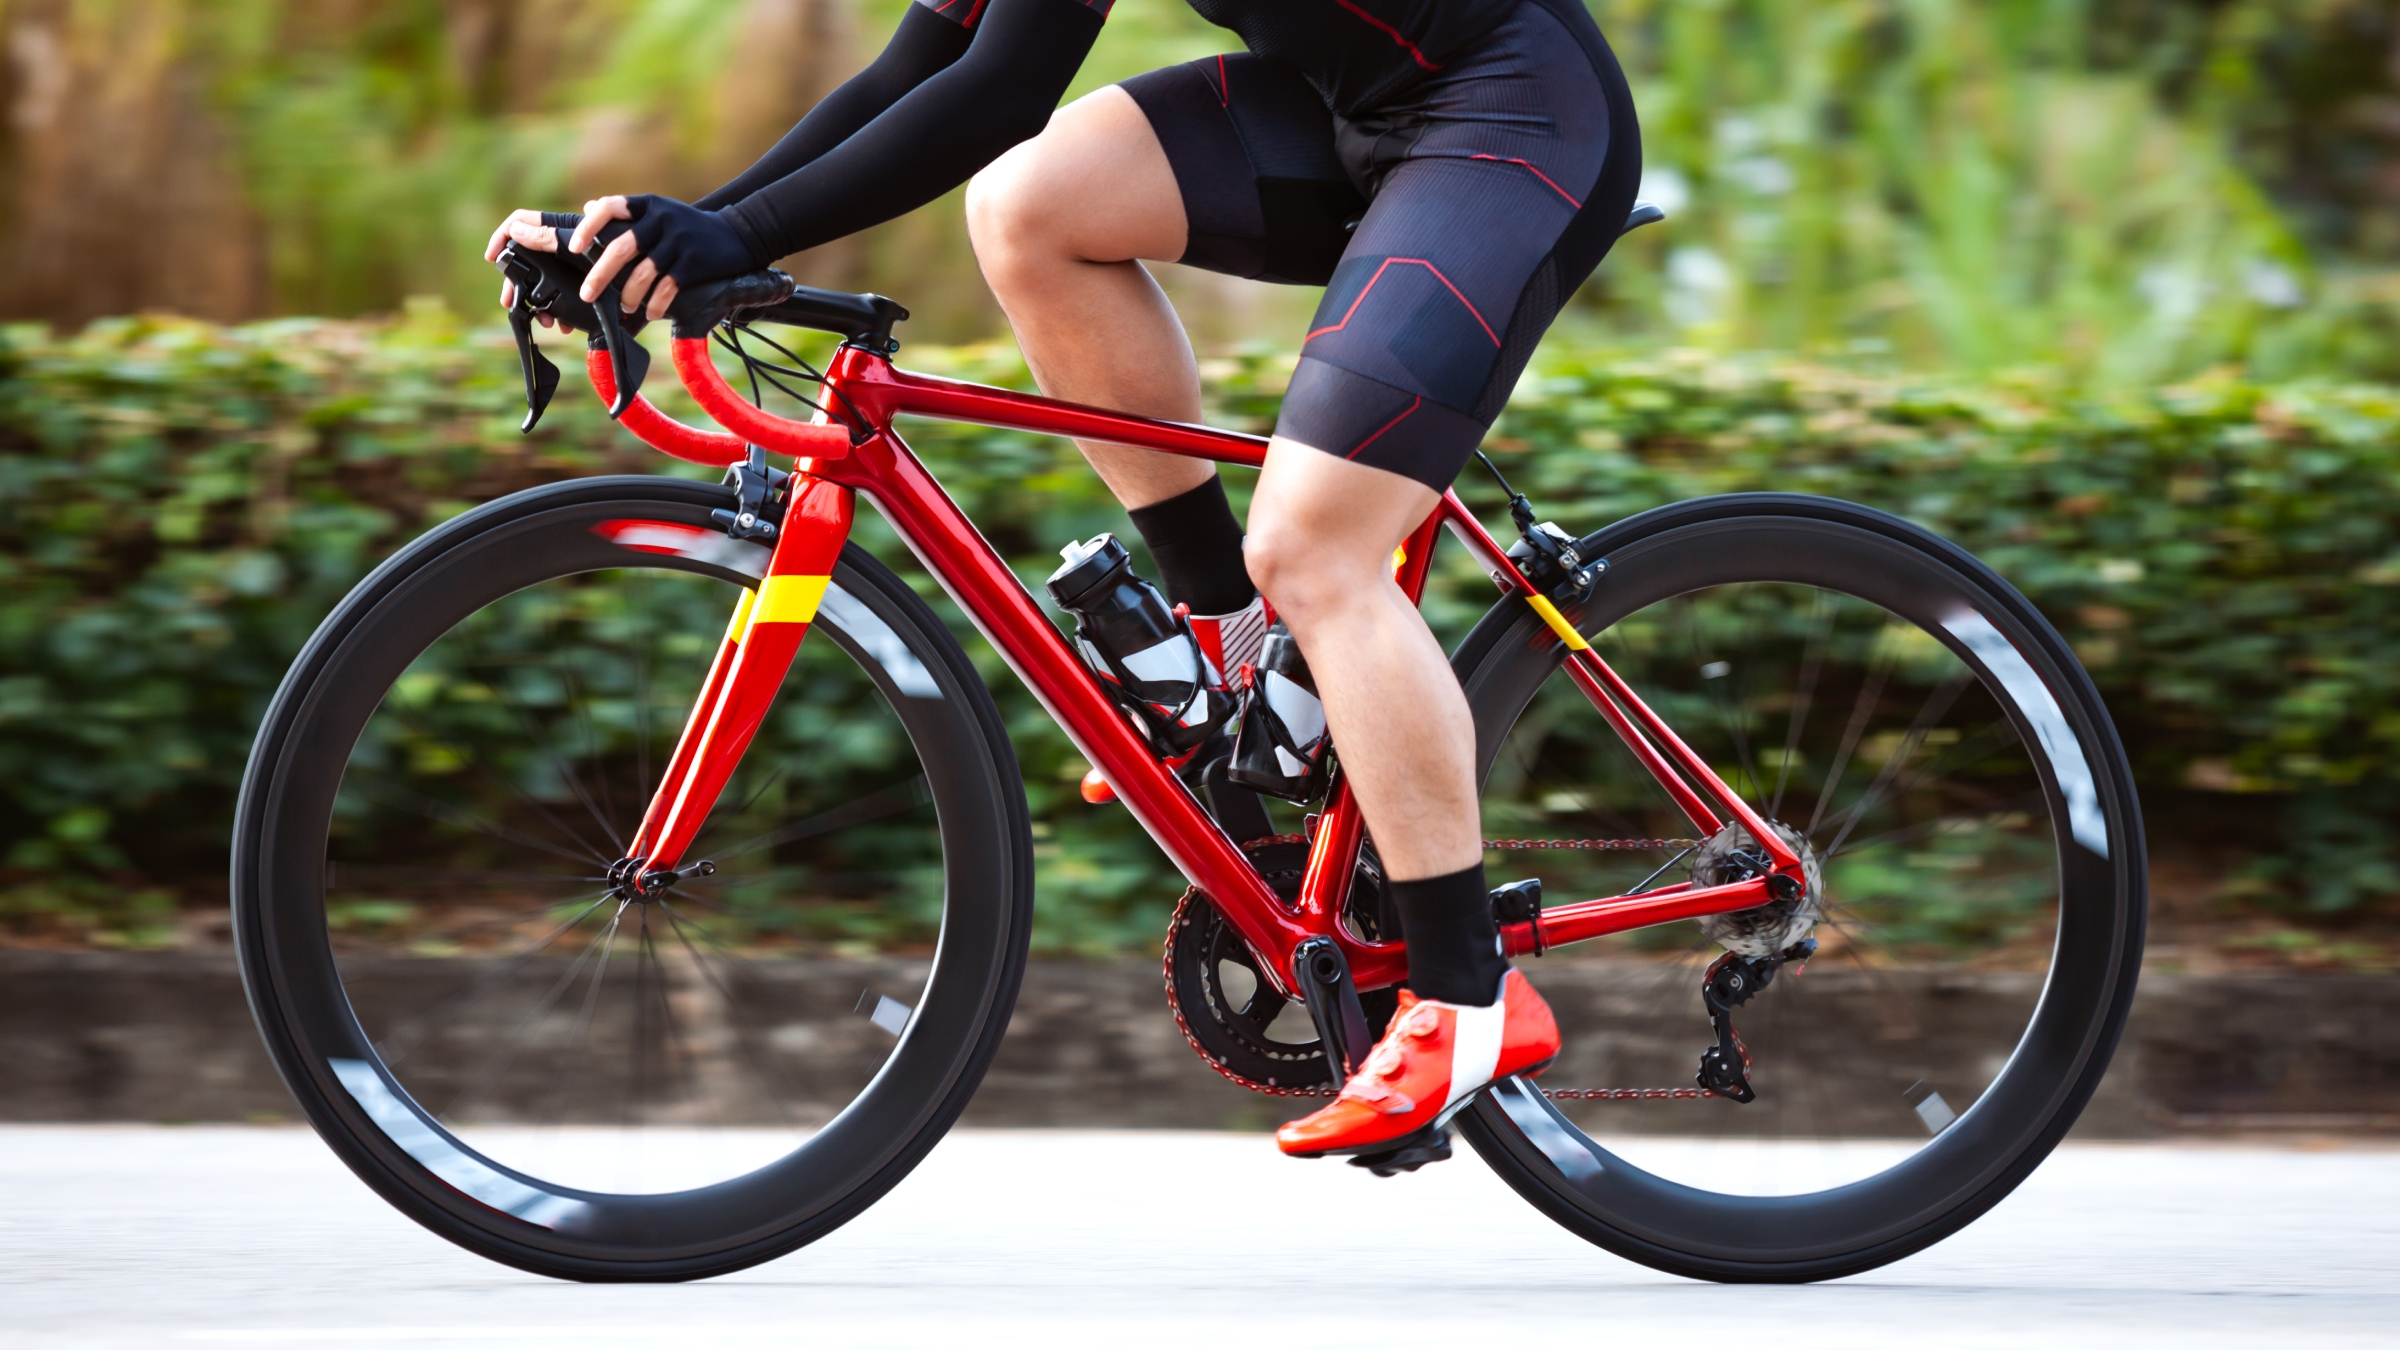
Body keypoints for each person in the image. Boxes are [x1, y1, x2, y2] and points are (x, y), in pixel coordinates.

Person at [485, 0, 1640, 1164]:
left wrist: (732, 234)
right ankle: (1228, 639)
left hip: (1513, 119)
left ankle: (1465, 995)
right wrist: (673, 245)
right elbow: (925, 59)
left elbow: (1001, 89)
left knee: (1315, 548)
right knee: (1028, 206)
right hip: (1356, 109)